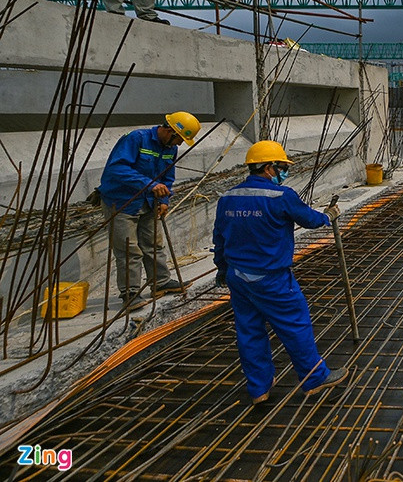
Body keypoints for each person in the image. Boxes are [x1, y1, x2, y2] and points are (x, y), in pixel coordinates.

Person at [212, 140, 348, 405]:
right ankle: (314, 378)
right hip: (272, 278)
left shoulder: (228, 198)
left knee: (249, 331)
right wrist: (328, 215)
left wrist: (222, 269)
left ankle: (258, 388)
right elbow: (310, 219)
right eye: (282, 167)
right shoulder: (281, 196)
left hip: (238, 278)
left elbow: (220, 238)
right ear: (269, 168)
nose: (284, 172)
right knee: (295, 325)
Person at [98, 111, 199, 308]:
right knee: (128, 249)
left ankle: (160, 282)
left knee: (153, 244)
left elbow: (167, 177)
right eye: (179, 139)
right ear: (170, 131)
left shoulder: (170, 148)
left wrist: (164, 200)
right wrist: (149, 184)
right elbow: (116, 169)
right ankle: (130, 293)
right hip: (122, 202)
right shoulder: (136, 139)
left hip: (149, 202)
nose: (179, 144)